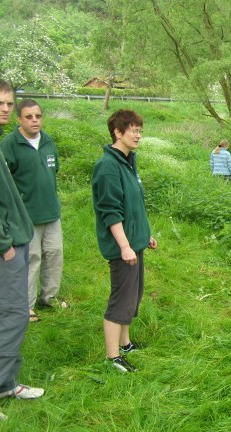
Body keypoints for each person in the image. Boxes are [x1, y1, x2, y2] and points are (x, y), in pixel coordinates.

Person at [0, 78, 44, 421]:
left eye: (9, 103)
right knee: (11, 317)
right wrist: (2, 244)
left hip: (14, 242)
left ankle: (5, 383)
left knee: (9, 315)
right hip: (1, 248)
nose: (6, 109)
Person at [91, 109, 158, 373]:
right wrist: (124, 245)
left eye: (140, 130)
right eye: (133, 130)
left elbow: (134, 205)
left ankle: (126, 343)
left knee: (134, 296)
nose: (138, 135)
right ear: (118, 132)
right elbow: (110, 211)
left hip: (135, 242)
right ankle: (112, 357)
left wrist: (145, 234)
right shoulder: (107, 167)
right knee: (121, 299)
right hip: (122, 248)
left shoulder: (129, 161)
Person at [0, 99, 65, 323]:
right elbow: (3, 182)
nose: (34, 120)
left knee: (54, 254)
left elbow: (53, 171)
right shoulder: (10, 144)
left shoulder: (48, 141)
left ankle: (49, 297)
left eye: (38, 116)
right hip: (26, 215)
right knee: (32, 258)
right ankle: (25, 306)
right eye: (29, 117)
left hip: (51, 211)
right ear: (19, 119)